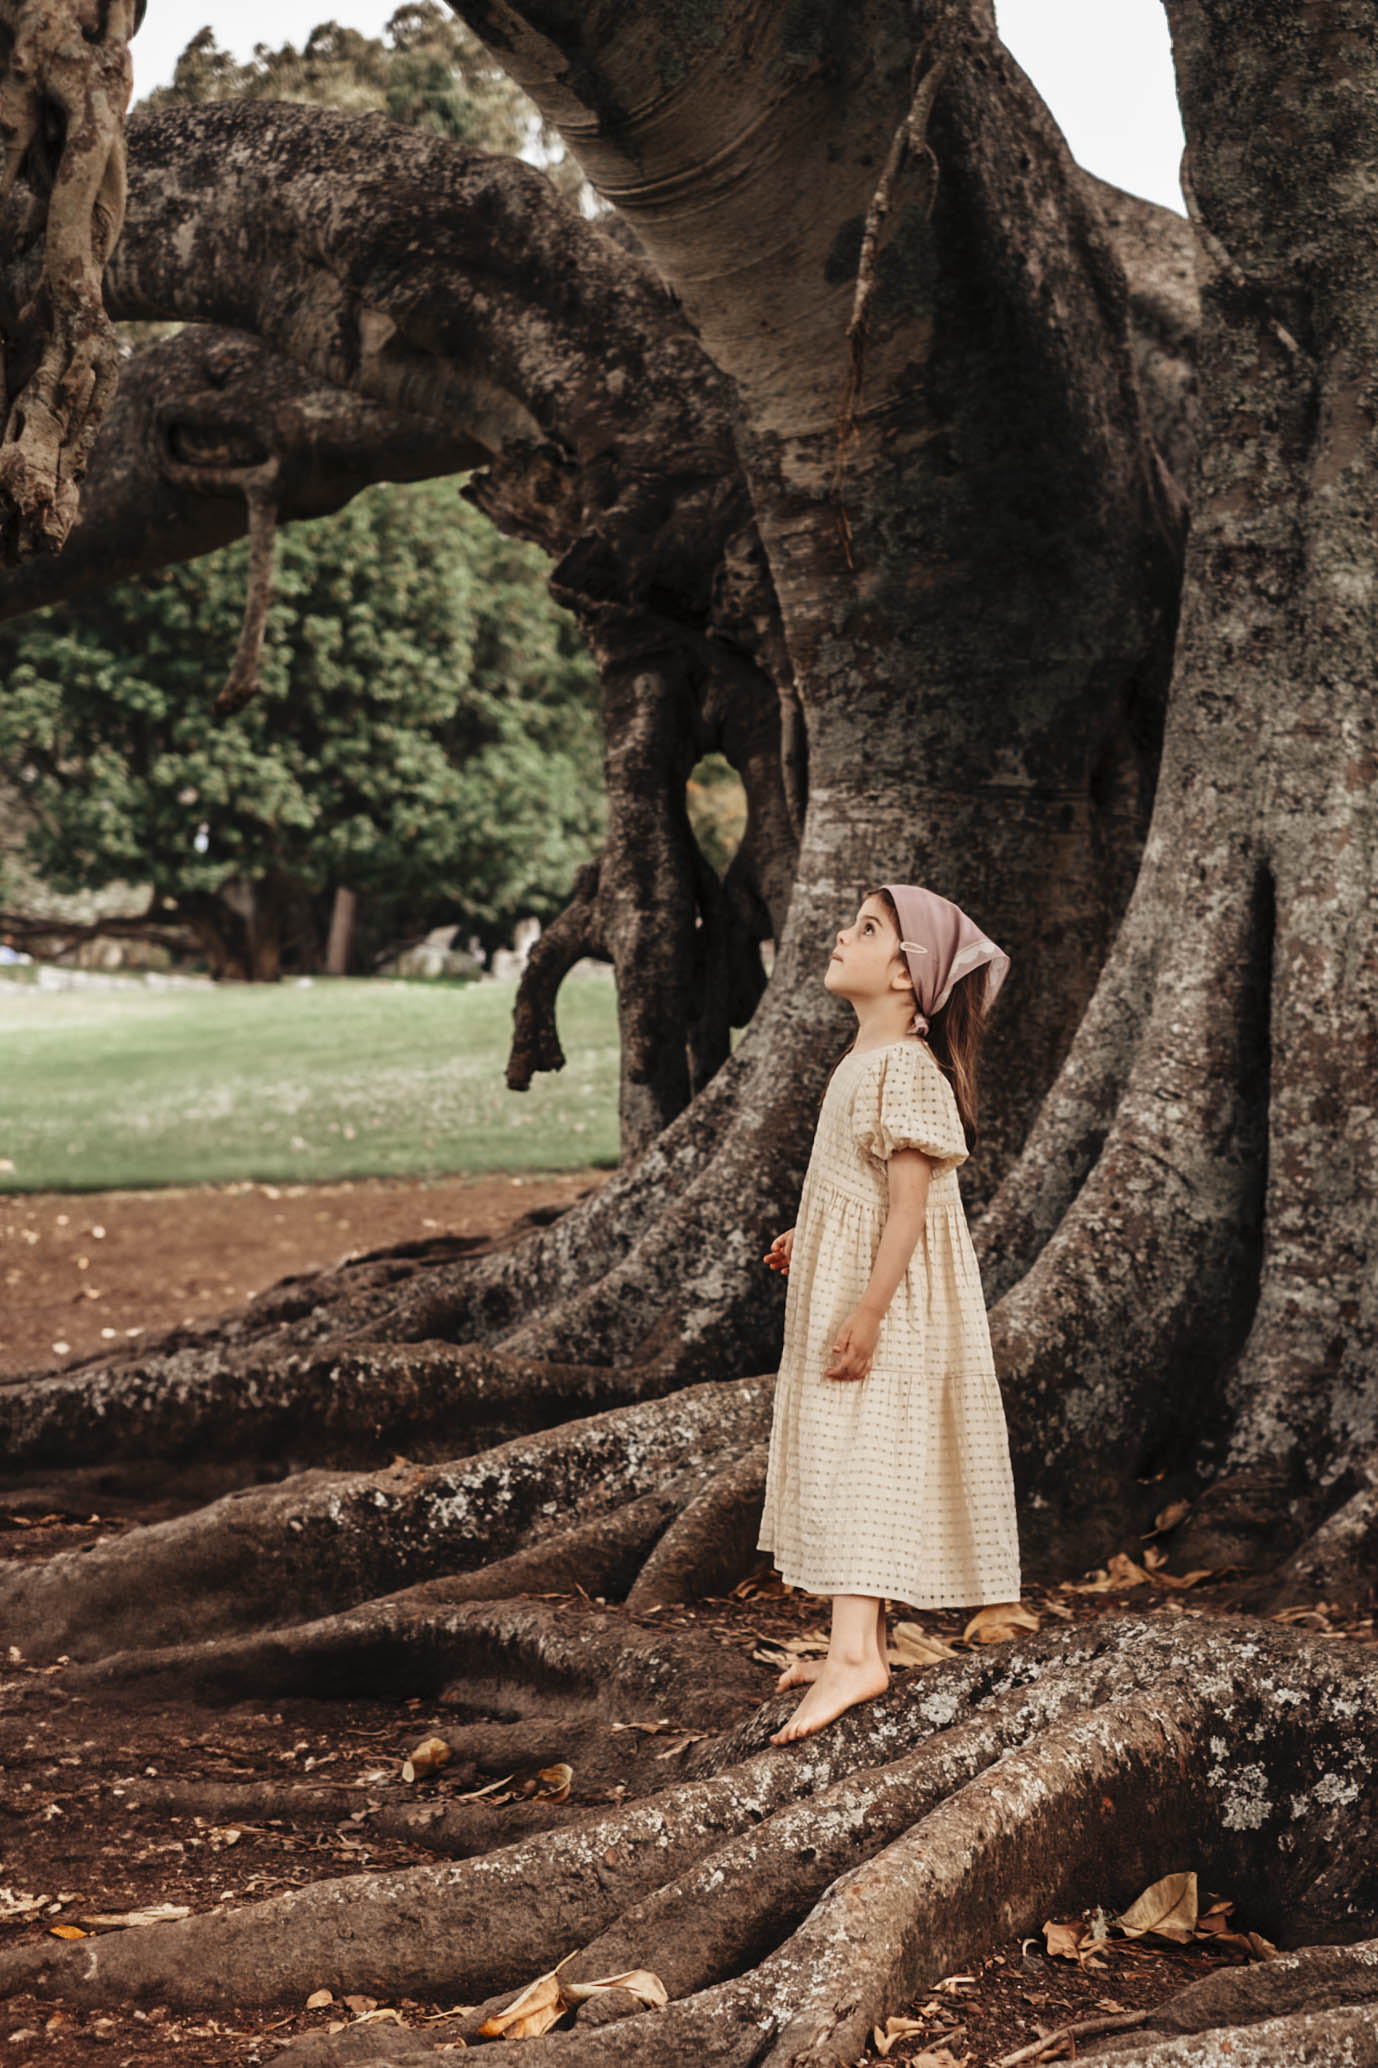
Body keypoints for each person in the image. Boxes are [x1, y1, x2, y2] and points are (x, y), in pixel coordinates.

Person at [757, 883, 1022, 1746]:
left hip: (890, 1308)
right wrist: (814, 1228)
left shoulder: (906, 1067)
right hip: (853, 1284)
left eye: (868, 930)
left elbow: (911, 1205)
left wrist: (870, 1310)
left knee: (857, 1461)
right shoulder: (864, 1060)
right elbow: (872, 1186)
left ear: (910, 978)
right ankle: (861, 1642)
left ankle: (854, 1659)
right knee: (841, 1454)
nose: (844, 936)